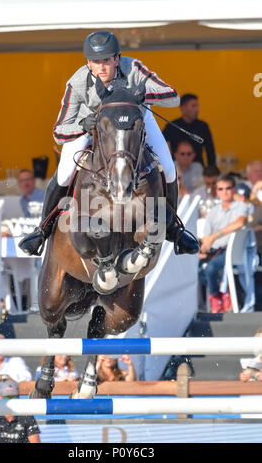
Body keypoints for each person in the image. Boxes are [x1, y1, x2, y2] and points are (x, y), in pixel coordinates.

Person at [18, 30, 199, 258]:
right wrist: (84, 125)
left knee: (169, 170)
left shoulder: (134, 67)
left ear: (116, 58)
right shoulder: (77, 82)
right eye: (96, 62)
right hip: (93, 125)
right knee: (64, 174)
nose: (102, 66)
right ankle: (43, 229)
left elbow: (173, 96)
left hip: (135, 121)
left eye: (107, 60)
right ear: (88, 63)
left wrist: (140, 95)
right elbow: (58, 131)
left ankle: (174, 229)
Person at [199, 174, 249, 313]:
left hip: (232, 250)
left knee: (210, 268)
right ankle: (221, 294)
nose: (224, 191)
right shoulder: (214, 210)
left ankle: (216, 296)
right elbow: (205, 236)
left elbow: (240, 223)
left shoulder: (241, 206)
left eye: (228, 188)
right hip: (215, 250)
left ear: (234, 189)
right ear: (216, 191)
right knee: (195, 268)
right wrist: (203, 250)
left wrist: (215, 236)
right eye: (220, 189)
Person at [163, 93, 216, 167]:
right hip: (176, 169)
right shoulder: (172, 126)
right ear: (183, 108)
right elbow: (160, 147)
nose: (197, 109)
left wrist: (211, 170)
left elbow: (210, 151)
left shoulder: (203, 126)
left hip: (198, 170)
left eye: (197, 106)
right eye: (193, 106)